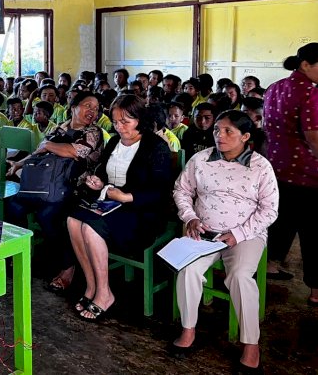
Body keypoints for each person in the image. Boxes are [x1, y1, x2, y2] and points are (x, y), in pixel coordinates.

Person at [171, 110, 278, 373]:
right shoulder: (201, 159)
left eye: (228, 131)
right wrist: (191, 218)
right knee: (188, 270)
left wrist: (239, 234)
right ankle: (188, 329)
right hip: (204, 232)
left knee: (240, 276)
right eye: (217, 129)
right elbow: (181, 190)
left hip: (246, 235)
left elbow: (269, 210)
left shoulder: (260, 166)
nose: (220, 135)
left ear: (246, 136)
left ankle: (251, 343)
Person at [67, 95, 173, 321]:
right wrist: (98, 183)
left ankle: (104, 293)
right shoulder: (114, 142)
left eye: (126, 121)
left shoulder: (156, 146)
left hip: (142, 212)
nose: (120, 127)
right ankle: (91, 285)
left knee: (90, 228)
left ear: (139, 119)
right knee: (73, 220)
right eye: (115, 122)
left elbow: (161, 191)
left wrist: (128, 196)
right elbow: (104, 175)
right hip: (112, 203)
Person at [7, 91, 103, 292]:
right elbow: (39, 152)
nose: (92, 112)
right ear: (74, 107)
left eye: (95, 109)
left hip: (76, 187)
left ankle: (68, 266)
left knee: (48, 214)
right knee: (14, 205)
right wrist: (19, 164)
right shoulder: (61, 128)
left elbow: (76, 151)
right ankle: (18, 256)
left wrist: (50, 145)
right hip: (45, 185)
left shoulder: (94, 132)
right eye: (88, 106)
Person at [263, 43, 318, 303]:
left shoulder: (274, 88)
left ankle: (271, 265)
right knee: (314, 232)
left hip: (276, 167)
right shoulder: (310, 92)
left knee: (282, 219)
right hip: (307, 173)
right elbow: (314, 138)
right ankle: (317, 290)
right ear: (306, 64)